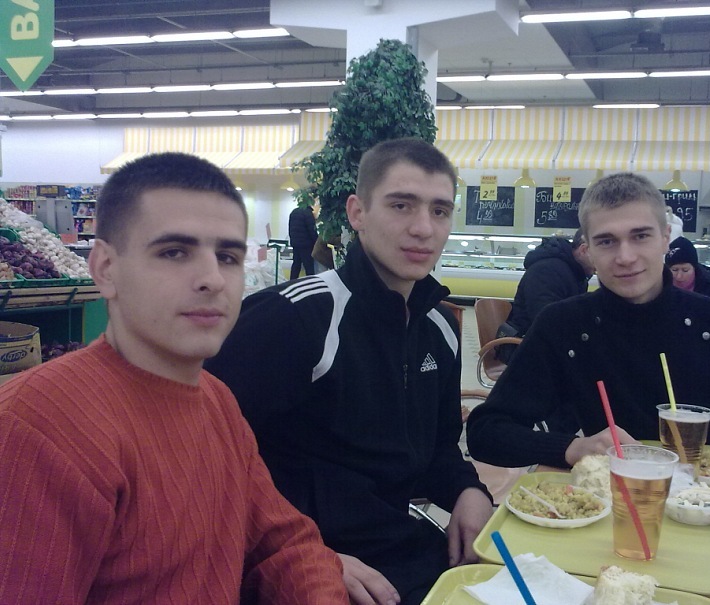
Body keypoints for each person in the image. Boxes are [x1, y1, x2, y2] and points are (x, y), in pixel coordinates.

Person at [0, 152, 347, 604]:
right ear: (105, 269)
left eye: (227, 256)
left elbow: (282, 544)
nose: (212, 279)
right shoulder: (39, 428)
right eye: (174, 252)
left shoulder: (216, 401)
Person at [206, 138, 492, 605]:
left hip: (400, 551)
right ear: (357, 213)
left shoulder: (440, 328)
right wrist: (304, 556)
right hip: (299, 567)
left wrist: (467, 490)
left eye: (439, 211)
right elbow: (205, 467)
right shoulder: (293, 319)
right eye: (401, 205)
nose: (423, 228)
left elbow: (438, 449)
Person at [466, 172, 710, 471]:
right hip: (617, 500)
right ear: (588, 250)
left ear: (665, 239)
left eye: (640, 236)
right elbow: (487, 431)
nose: (625, 257)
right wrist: (571, 447)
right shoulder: (564, 326)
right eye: (607, 241)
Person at [503, 228, 595, 339]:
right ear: (584, 250)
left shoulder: (576, 273)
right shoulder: (548, 271)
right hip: (527, 343)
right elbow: (547, 321)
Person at [665, 235, 710, 300]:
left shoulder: (709, 285)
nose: (679, 276)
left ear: (694, 268)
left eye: (685, 270)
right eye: (674, 270)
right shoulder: (660, 283)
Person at [288, 201, 318, 278]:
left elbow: (290, 229)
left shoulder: (293, 212)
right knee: (309, 267)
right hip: (306, 245)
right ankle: (310, 283)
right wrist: (316, 242)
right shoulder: (308, 213)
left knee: (296, 265)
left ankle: (292, 282)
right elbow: (312, 230)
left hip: (295, 244)